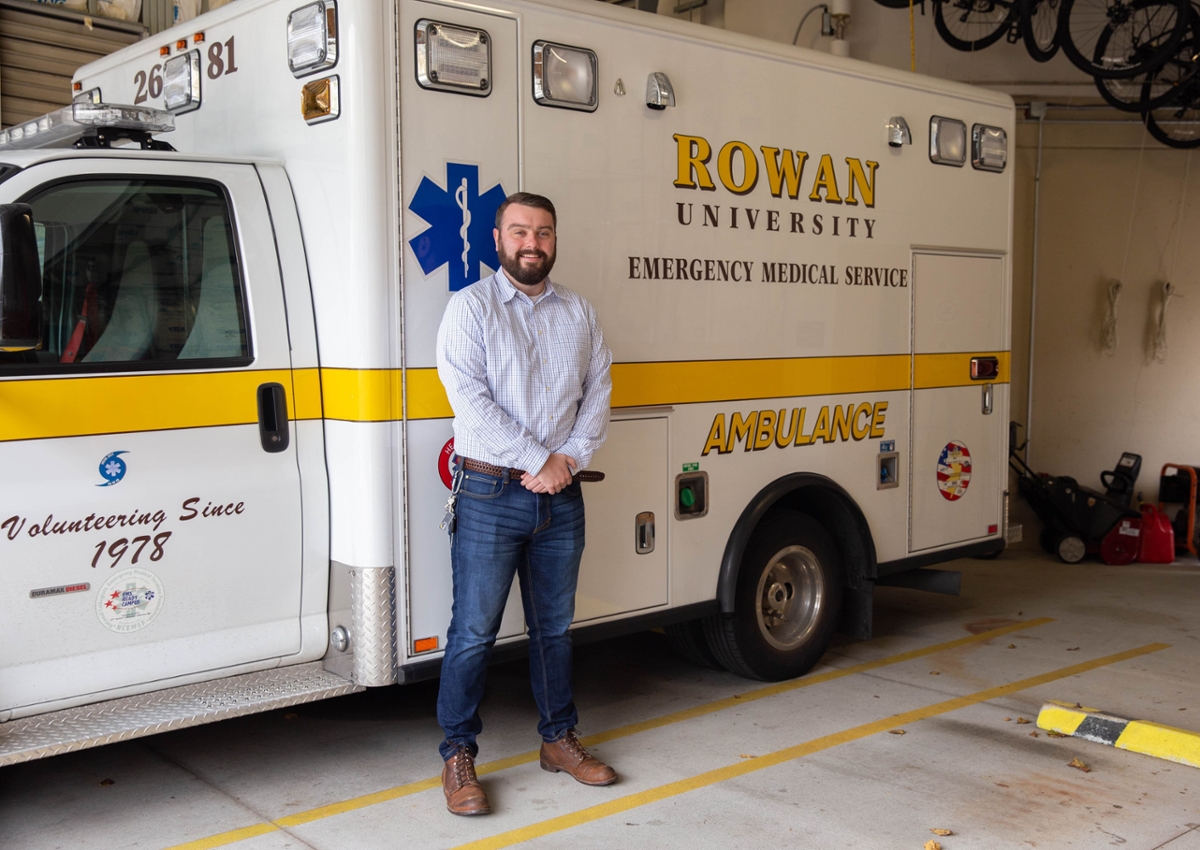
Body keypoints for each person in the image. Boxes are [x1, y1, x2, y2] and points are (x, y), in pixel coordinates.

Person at [434, 192, 615, 816]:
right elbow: (470, 400)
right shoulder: (471, 308)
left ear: (556, 239)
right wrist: (540, 459)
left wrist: (567, 460)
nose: (531, 242)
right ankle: (458, 756)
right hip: (488, 492)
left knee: (555, 631)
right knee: (473, 634)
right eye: (519, 231)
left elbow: (598, 396)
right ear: (497, 239)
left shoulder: (582, 313)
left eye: (542, 231)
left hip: (562, 497)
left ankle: (557, 741)